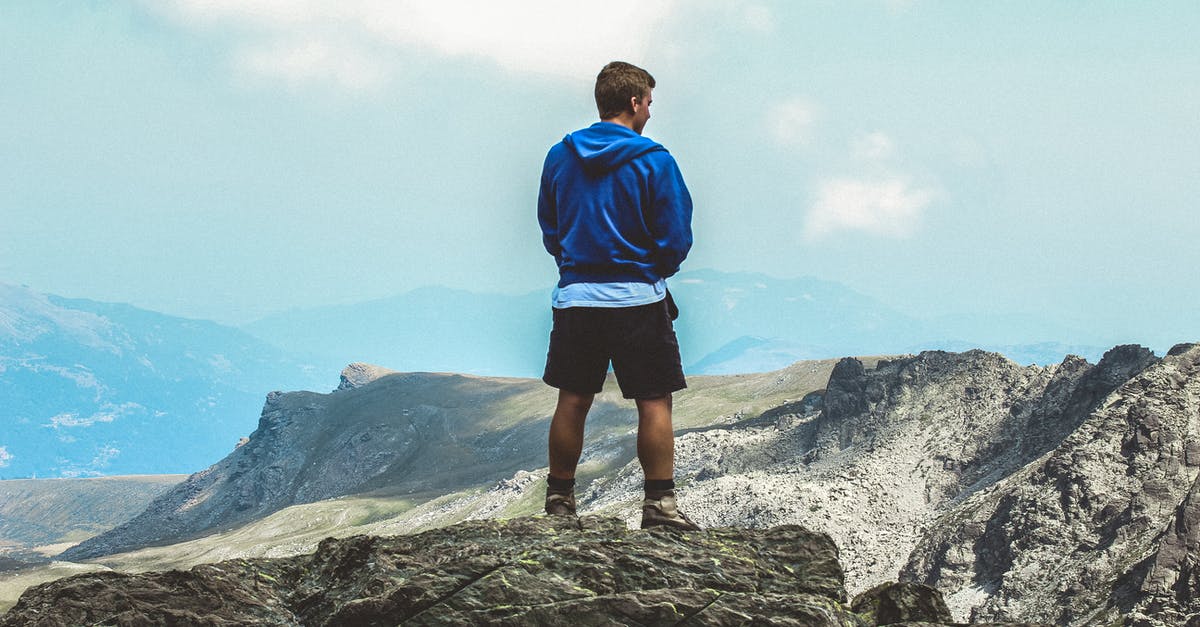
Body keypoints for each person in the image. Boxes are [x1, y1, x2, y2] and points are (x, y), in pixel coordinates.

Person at [537, 61, 698, 530]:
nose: (650, 110)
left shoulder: (559, 156)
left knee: (573, 399)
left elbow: (551, 225)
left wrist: (573, 266)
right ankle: (660, 509)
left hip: (577, 298)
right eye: (649, 101)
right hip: (638, 300)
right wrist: (653, 270)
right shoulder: (654, 160)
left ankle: (560, 503)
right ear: (633, 102)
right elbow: (676, 235)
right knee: (653, 401)